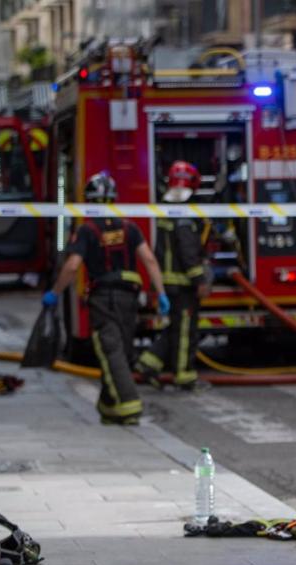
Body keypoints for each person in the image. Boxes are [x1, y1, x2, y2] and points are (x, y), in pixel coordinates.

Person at [44, 172, 169, 425]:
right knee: (119, 349)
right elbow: (149, 259)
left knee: (111, 351)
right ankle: (109, 407)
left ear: (89, 200)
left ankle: (129, 404)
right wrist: (162, 293)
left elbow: (72, 266)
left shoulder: (87, 231)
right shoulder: (129, 227)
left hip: (103, 299)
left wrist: (55, 292)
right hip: (130, 298)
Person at [136, 161, 210, 391]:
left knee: (175, 328)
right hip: (184, 285)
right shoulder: (186, 216)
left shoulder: (166, 210)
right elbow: (188, 253)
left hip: (168, 283)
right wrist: (200, 279)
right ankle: (184, 376)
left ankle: (147, 365)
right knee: (186, 332)